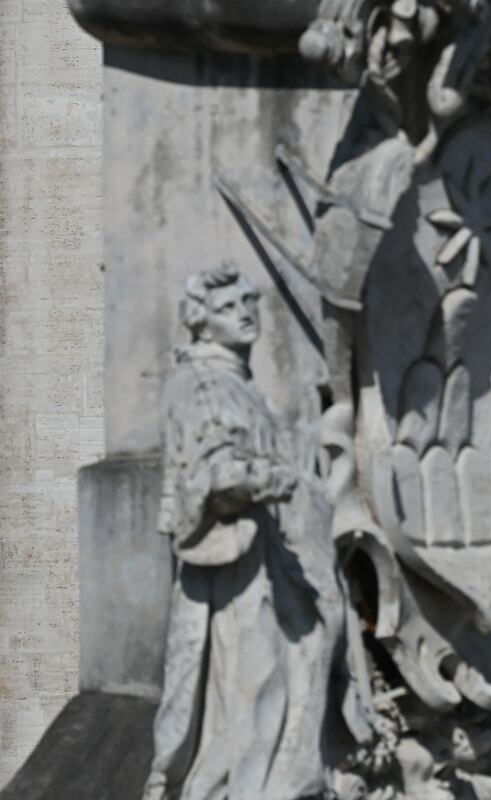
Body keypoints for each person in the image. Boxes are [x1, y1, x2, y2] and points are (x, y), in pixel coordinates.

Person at [144, 265, 367, 800]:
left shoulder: (241, 386)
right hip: (245, 571)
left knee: (291, 687)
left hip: (283, 561)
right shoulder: (199, 384)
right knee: (252, 697)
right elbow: (210, 475)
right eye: (227, 308)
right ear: (200, 324)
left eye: (249, 303)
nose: (245, 313)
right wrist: (264, 477)